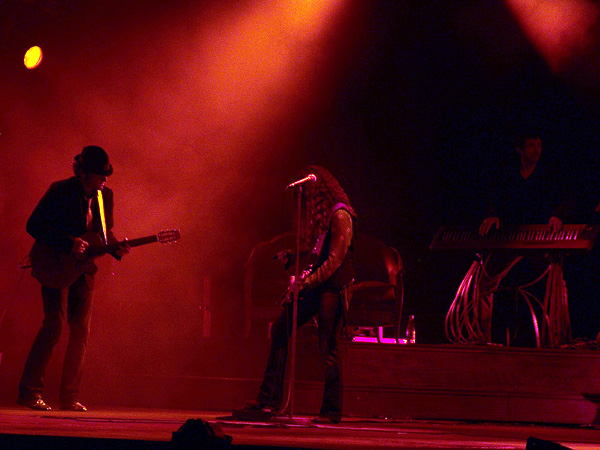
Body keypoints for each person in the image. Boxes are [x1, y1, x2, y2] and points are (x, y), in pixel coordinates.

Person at [234, 165, 356, 424]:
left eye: (309, 193)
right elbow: (316, 250)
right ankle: (269, 400)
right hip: (317, 286)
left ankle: (331, 411)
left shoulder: (341, 215)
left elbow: (334, 262)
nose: (307, 200)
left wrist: (305, 282)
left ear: (319, 189)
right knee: (280, 328)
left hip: (332, 288)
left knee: (328, 348)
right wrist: (292, 255)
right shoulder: (324, 218)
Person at [17, 145, 129, 411]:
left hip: (85, 269)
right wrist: (69, 243)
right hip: (56, 265)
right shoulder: (59, 191)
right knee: (54, 326)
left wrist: (116, 248)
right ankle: (29, 392)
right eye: (101, 175)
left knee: (81, 332)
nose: (105, 180)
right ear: (84, 174)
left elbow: (103, 234)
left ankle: (69, 397)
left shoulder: (105, 195)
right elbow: (33, 225)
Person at [476, 131, 573, 346]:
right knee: (494, 285)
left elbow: (568, 197)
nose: (537, 149)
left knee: (538, 288)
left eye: (539, 144)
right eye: (531, 145)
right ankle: (491, 340)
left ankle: (541, 342)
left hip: (537, 240)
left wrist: (558, 215)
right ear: (519, 150)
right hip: (510, 238)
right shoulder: (508, 175)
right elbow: (495, 197)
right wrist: (492, 214)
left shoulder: (548, 175)